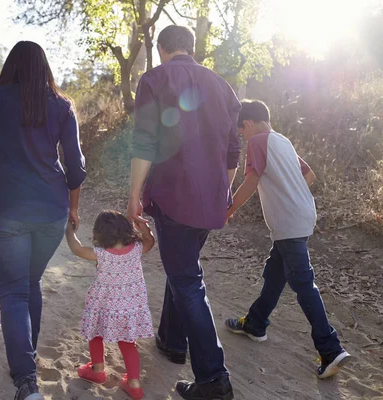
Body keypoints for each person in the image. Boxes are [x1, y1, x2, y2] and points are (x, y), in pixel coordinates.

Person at [0, 41, 86, 400]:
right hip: (51, 212)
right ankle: (26, 358)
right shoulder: (62, 106)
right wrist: (73, 208)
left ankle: (26, 381)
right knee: (30, 282)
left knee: (14, 290)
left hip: (7, 209)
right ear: (44, 68)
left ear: (10, 66)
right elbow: (76, 168)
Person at [127, 25, 240, 399]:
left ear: (161, 48)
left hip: (174, 194)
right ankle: (172, 341)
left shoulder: (155, 79)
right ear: (191, 48)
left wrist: (134, 196)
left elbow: (145, 141)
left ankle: (213, 378)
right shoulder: (224, 87)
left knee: (187, 278)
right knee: (183, 267)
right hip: (211, 198)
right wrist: (222, 194)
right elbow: (232, 154)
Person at [225, 99, 352, 379]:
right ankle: (255, 324)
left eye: (241, 131)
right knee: (275, 274)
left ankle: (330, 348)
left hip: (289, 222)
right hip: (304, 214)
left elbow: (250, 181)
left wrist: (229, 209)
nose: (243, 137)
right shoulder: (283, 141)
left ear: (247, 124)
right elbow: (309, 175)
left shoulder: (256, 142)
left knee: (303, 283)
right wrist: (290, 193)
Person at [65, 210, 155, 400]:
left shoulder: (102, 254)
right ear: (127, 229)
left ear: (100, 234)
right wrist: (145, 229)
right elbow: (150, 242)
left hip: (103, 306)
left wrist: (69, 230)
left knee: (96, 334)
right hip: (129, 307)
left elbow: (77, 249)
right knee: (128, 343)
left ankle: (97, 371)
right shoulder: (137, 248)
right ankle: (134, 384)